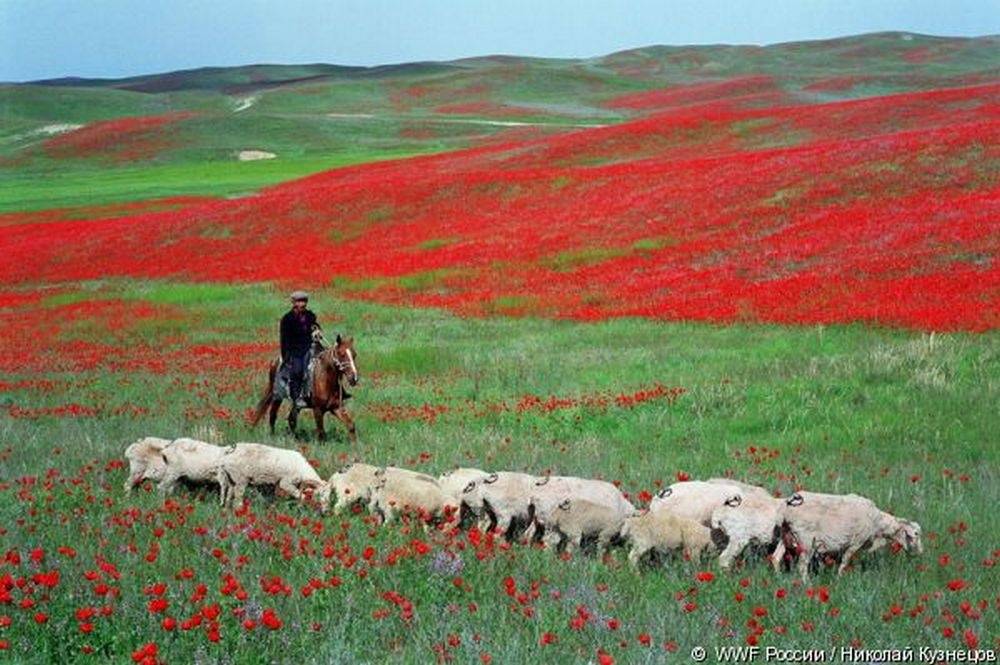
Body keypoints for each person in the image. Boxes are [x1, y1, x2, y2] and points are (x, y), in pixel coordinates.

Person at [280, 291, 319, 408]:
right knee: (298, 371)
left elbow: (315, 326)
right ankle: (297, 397)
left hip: (310, 347)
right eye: (299, 301)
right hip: (295, 350)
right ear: (293, 303)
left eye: (304, 301)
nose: (302, 304)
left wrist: (317, 331)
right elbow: (284, 339)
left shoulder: (310, 315)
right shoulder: (287, 319)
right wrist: (286, 356)